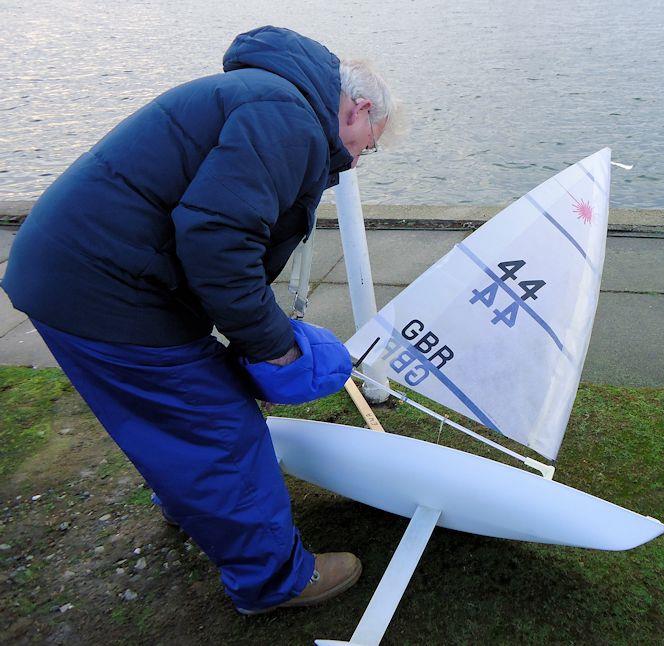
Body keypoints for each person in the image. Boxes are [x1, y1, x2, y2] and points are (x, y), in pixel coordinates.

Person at [1, 26, 397, 613]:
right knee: (218, 429)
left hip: (71, 270)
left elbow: (217, 230)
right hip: (106, 283)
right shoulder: (287, 118)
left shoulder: (264, 94)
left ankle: (195, 509)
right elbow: (217, 240)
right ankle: (275, 580)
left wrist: (247, 342)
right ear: (359, 108)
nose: (361, 157)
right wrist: (275, 348)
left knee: (163, 414)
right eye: (371, 143)